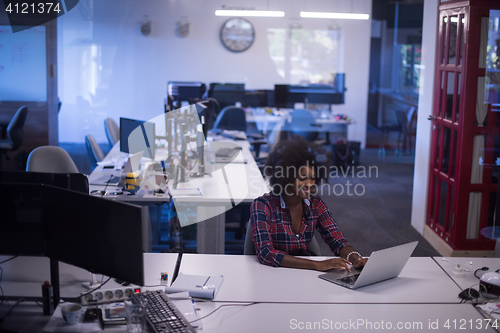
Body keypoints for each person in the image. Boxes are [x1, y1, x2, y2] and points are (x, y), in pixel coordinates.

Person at [250, 136, 367, 271]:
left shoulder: (315, 203)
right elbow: (266, 253)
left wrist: (355, 258)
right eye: (303, 178)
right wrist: (317, 265)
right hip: (271, 275)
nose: (310, 184)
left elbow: (337, 240)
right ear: (286, 177)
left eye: (312, 178)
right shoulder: (263, 206)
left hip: (305, 276)